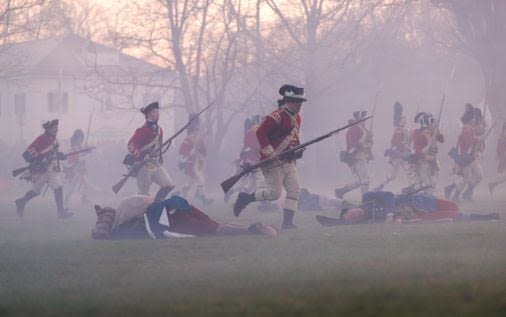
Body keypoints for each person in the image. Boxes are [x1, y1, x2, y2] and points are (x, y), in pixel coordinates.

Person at [232, 84, 307, 229]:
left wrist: (298, 151)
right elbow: (261, 133)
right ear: (289, 101)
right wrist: (271, 154)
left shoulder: (297, 118)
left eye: (300, 102)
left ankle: (287, 223)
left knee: (294, 190)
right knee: (274, 194)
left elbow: (294, 138)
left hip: (289, 161)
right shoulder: (276, 116)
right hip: (272, 161)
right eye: (297, 102)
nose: (299, 105)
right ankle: (246, 198)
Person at [91, 195, 277, 239]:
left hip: (168, 215)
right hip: (178, 204)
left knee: (213, 229)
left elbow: (112, 232)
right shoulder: (127, 203)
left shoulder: (123, 213)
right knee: (214, 226)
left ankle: (252, 229)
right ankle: (255, 228)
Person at [14, 119, 73, 219]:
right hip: (41, 169)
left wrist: (60, 156)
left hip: (50, 169)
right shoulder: (41, 139)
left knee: (58, 186)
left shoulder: (54, 139)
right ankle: (21, 202)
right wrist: (39, 159)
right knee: (36, 191)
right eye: (54, 127)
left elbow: (54, 153)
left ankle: (61, 212)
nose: (56, 129)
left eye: (56, 127)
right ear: (48, 129)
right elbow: (27, 155)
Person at [126, 102, 175, 200]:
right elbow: (131, 145)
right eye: (155, 111)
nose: (158, 114)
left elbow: (158, 148)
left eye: (157, 111)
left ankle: (156, 205)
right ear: (149, 114)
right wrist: (141, 156)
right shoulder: (142, 130)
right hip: (144, 167)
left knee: (168, 185)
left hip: (156, 165)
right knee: (143, 197)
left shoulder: (159, 130)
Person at [444, 109, 482, 201]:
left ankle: (465, 192)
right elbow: (468, 142)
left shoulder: (471, 128)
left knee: (478, 175)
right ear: (469, 119)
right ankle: (454, 192)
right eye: (473, 118)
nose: (474, 119)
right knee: (465, 178)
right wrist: (477, 139)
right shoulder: (466, 128)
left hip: (472, 157)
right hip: (467, 157)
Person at [334, 110, 373, 199]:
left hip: (362, 156)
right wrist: (363, 142)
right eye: (363, 118)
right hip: (356, 157)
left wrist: (370, 138)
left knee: (360, 181)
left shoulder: (364, 129)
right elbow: (352, 144)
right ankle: (365, 200)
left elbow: (368, 144)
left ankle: (341, 191)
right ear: (359, 119)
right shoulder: (354, 128)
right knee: (365, 181)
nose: (365, 120)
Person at [178, 113, 213, 205]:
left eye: (197, 132)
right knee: (201, 180)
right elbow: (182, 151)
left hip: (198, 163)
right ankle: (203, 198)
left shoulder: (199, 139)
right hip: (190, 164)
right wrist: (190, 153)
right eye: (194, 132)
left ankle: (178, 195)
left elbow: (204, 152)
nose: (196, 133)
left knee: (188, 184)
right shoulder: (187, 140)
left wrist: (200, 148)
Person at [376, 102, 411, 191]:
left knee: (397, 174)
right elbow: (396, 142)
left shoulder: (404, 130)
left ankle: (381, 185)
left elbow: (407, 142)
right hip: (398, 155)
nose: (405, 120)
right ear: (399, 121)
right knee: (404, 172)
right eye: (403, 119)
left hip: (402, 154)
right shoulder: (398, 130)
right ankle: (412, 188)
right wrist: (404, 147)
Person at [408, 112, 444, 194]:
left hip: (431, 162)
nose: (431, 125)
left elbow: (441, 140)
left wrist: (437, 131)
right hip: (422, 163)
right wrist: (426, 157)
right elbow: (418, 151)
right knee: (426, 184)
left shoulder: (431, 133)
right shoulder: (419, 134)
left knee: (433, 183)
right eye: (431, 124)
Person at [63, 129, 91, 204]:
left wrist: (87, 150)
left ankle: (84, 199)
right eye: (79, 137)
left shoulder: (81, 147)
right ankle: (67, 198)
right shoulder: (73, 148)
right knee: (73, 186)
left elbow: (86, 154)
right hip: (75, 170)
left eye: (81, 137)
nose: (80, 139)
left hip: (81, 169)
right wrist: (82, 156)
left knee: (85, 184)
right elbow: (72, 159)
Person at [488, 123, 506, 194]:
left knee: (503, 175)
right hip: (504, 159)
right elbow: (500, 151)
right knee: (502, 175)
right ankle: (492, 183)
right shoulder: (502, 139)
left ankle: (493, 183)